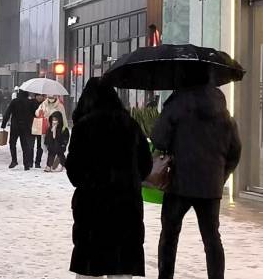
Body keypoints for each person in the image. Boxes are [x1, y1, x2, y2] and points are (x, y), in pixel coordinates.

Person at [151, 85, 241, 279]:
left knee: (169, 236)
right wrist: (220, 176)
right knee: (212, 239)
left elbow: (158, 139)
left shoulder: (176, 104)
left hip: (179, 183)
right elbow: (235, 150)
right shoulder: (222, 112)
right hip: (210, 186)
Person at [66, 78, 152, 279]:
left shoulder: (83, 127)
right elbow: (145, 165)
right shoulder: (130, 125)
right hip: (126, 208)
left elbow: (74, 173)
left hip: (92, 210)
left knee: (90, 267)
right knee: (121, 268)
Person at [1, 89, 36, 170]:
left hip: (15, 126)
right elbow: (34, 113)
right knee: (25, 145)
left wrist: (4, 124)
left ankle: (14, 160)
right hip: (26, 126)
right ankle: (26, 164)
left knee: (12, 143)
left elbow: (7, 113)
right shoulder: (30, 102)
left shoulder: (14, 101)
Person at [31, 93, 46, 168]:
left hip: (42, 125)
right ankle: (30, 161)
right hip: (33, 124)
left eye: (41, 95)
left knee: (40, 145)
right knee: (31, 144)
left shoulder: (45, 104)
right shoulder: (31, 103)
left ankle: (37, 162)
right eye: (38, 95)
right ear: (35, 96)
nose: (40, 97)